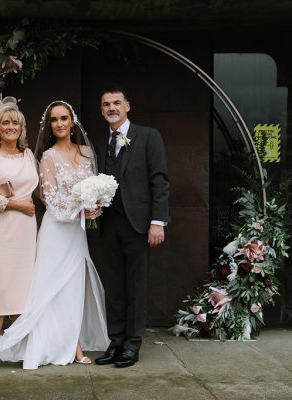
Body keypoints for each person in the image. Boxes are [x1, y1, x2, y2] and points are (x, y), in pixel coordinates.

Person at [0, 100, 109, 370]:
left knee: (73, 288)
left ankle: (74, 340)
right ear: (50, 125)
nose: (59, 124)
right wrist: (80, 209)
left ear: (72, 122)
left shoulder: (86, 153)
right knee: (51, 289)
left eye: (64, 118)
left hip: (77, 234)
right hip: (56, 231)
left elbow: (95, 190)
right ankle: (74, 345)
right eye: (54, 119)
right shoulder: (47, 157)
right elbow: (52, 201)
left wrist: (94, 209)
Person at [94, 84, 170, 368]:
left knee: (135, 286)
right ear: (101, 110)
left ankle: (133, 344)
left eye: (116, 102)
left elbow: (160, 181)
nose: (111, 108)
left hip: (139, 225)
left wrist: (157, 221)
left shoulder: (149, 136)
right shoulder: (102, 145)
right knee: (114, 286)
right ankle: (115, 342)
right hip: (110, 225)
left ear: (127, 106)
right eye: (106, 104)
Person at [0, 101, 39, 373]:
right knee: (2, 285)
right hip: (2, 226)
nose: (11, 127)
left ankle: (19, 343)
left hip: (26, 228)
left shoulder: (28, 157)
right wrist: (17, 205)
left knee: (24, 288)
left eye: (16, 123)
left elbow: (40, 188)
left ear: (22, 128)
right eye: (6, 123)